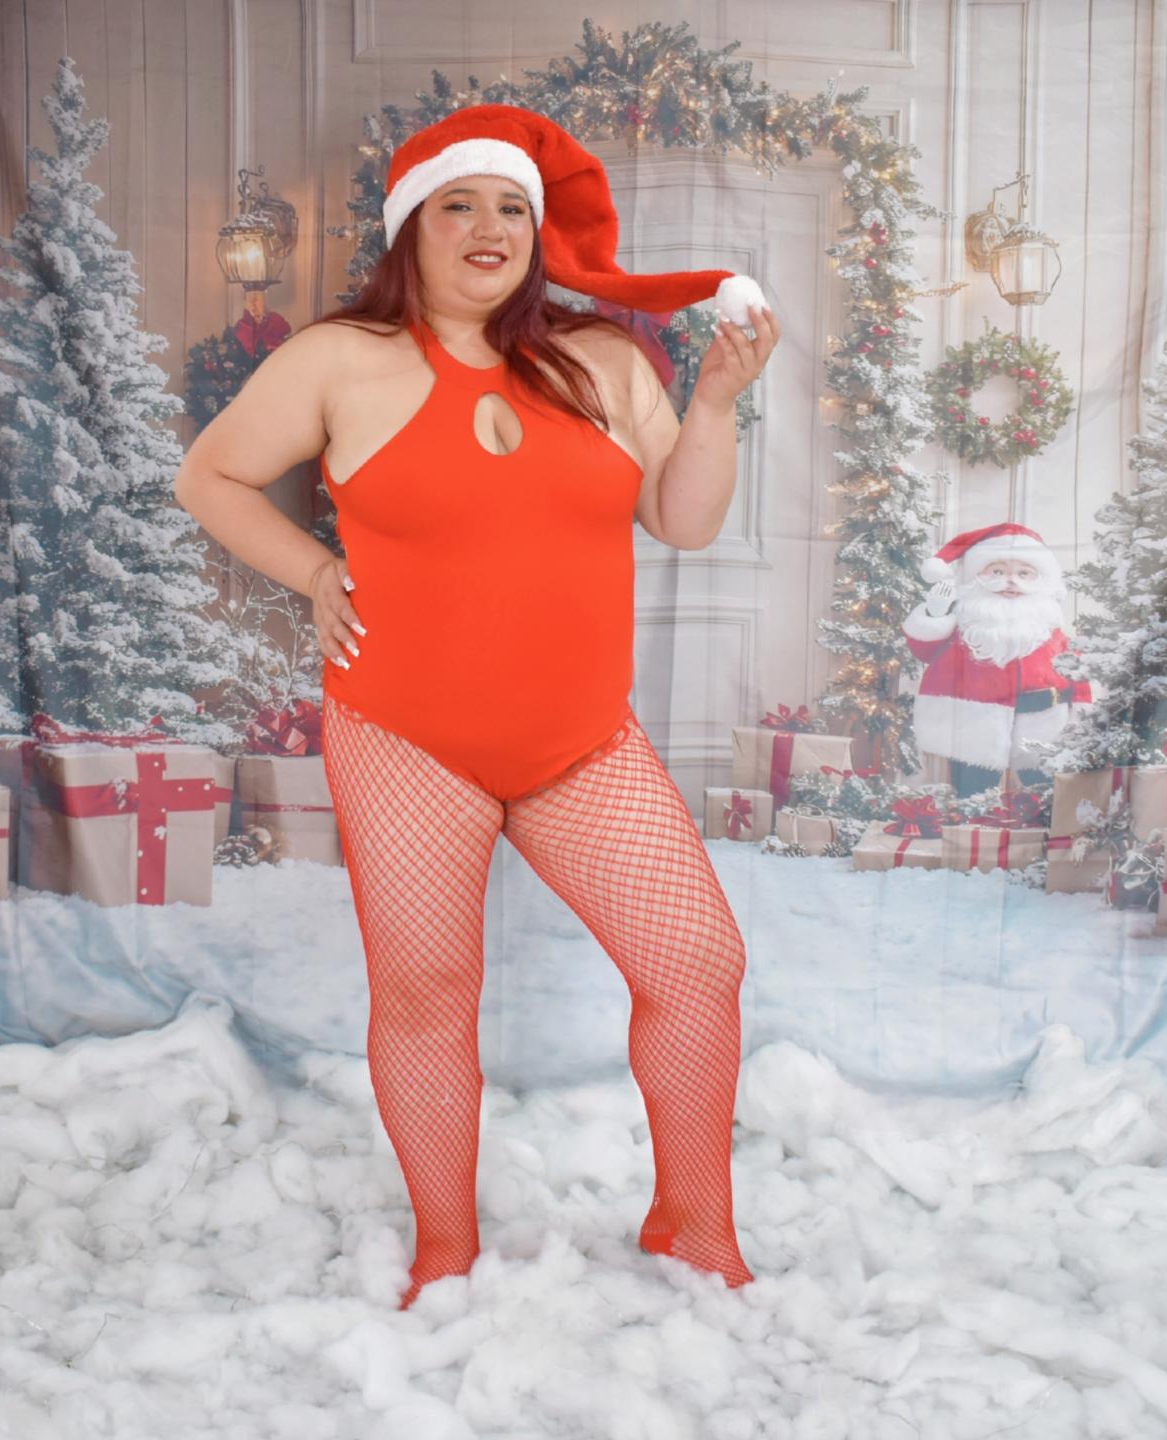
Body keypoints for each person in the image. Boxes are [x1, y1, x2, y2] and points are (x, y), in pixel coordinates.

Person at [174, 104, 781, 1309]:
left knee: (698, 964)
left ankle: (696, 1228)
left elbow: (685, 519)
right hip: (406, 739)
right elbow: (211, 475)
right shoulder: (340, 360)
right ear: (412, 228)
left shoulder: (605, 362)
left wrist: (712, 403)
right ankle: (445, 1246)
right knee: (425, 996)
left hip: (581, 744)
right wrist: (314, 573)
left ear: (538, 234)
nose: (489, 226)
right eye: (458, 204)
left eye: (512, 206)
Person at [901, 523, 1096, 797]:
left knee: (1047, 798)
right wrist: (935, 615)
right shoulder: (965, 625)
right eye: (997, 571)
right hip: (974, 724)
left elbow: (1078, 673)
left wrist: (1081, 716)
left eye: (1024, 573)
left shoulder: (1050, 629)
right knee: (973, 796)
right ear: (977, 576)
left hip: (1044, 723)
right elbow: (924, 651)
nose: (1010, 580)